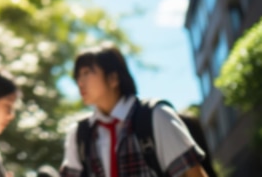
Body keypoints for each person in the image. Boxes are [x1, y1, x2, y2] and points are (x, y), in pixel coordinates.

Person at [59, 42, 208, 177]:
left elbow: (194, 174)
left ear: (113, 78)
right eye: (77, 76)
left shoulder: (155, 116)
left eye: (86, 73)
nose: (80, 82)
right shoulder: (80, 134)